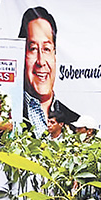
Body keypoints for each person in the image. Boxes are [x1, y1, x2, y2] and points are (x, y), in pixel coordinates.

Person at [18, 7, 80, 136]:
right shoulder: (8, 115)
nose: (41, 61)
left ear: (55, 54)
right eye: (33, 49)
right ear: (22, 54)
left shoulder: (75, 121)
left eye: (46, 49)